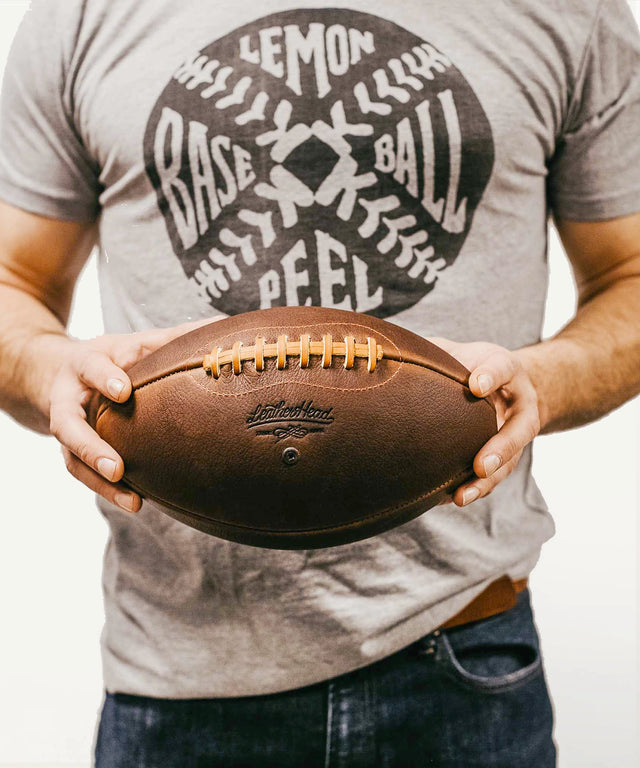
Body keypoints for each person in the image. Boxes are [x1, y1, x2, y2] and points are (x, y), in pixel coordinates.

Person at [0, 0, 639, 765]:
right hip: (174, 674)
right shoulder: (80, 15)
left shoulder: (575, 13)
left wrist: (534, 383)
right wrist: (48, 371)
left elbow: (629, 275)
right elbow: (12, 279)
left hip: (464, 650)